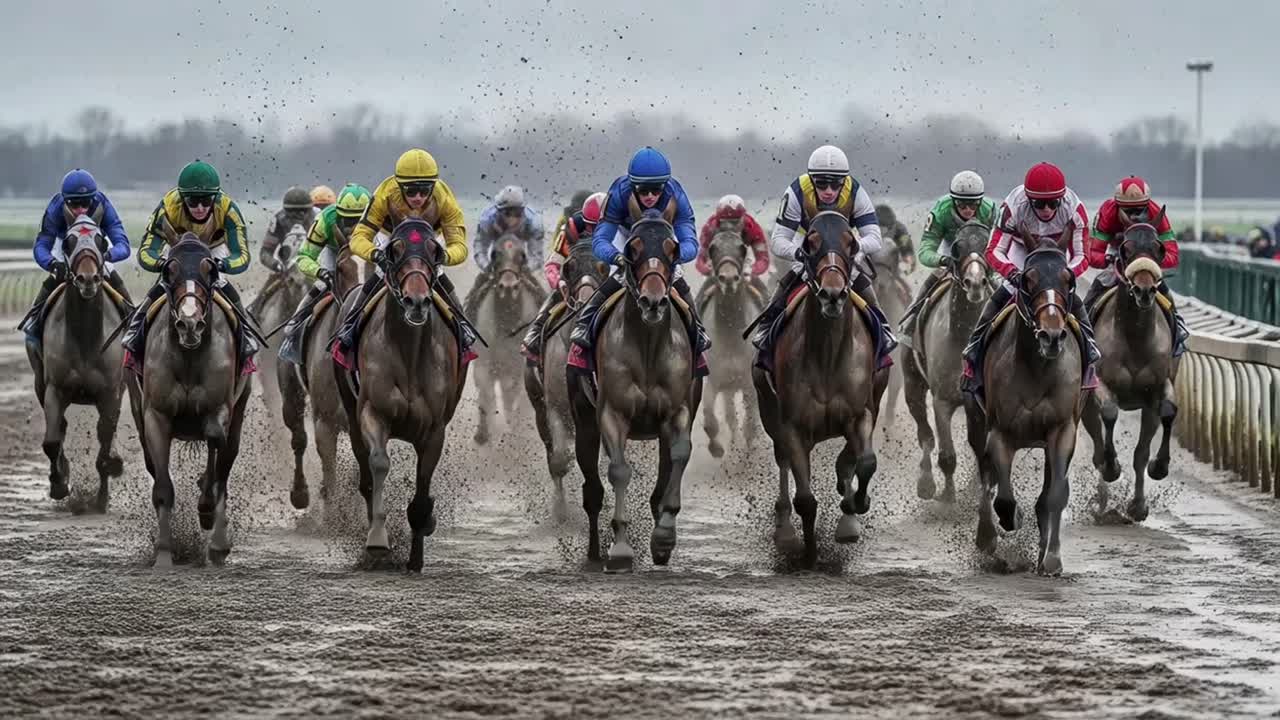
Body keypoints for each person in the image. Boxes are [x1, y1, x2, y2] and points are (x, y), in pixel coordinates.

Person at [567, 146, 710, 375]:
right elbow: (601, 240)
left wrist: (674, 256)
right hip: (629, 237)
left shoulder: (677, 196)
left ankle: (697, 334)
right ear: (632, 185)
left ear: (666, 185)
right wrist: (616, 257)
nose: (650, 196)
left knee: (679, 281)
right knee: (617, 276)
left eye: (656, 190)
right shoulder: (619, 192)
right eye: (643, 191)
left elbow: (690, 241)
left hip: (663, 239)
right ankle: (584, 326)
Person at [960, 162, 1099, 397]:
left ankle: (1091, 352)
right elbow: (994, 251)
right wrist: (1012, 273)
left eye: (1052, 203)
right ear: (1028, 199)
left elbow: (1082, 255)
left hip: (1057, 258)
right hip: (1022, 255)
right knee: (1000, 294)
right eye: (1039, 204)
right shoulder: (1013, 207)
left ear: (1061, 199)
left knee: (1072, 299)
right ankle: (973, 353)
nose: (1046, 209)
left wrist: (1064, 276)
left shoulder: (1075, 210)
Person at [753, 144, 896, 368]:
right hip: (809, 253)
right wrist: (798, 253)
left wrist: (854, 248)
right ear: (811, 180)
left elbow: (874, 237)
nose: (829, 190)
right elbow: (779, 241)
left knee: (866, 290)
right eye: (821, 183)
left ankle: (884, 334)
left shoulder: (856, 191)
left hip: (843, 256)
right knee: (782, 291)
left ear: (844, 181)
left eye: (835, 183)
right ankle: (765, 333)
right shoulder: (796, 192)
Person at [332, 148, 476, 364]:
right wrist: (375, 254)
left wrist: (443, 256)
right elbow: (359, 237)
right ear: (399, 186)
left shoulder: (444, 197)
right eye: (410, 191)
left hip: (426, 242)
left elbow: (460, 246)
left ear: (433, 185)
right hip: (392, 238)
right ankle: (349, 328)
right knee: (380, 273)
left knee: (439, 274)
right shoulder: (385, 193)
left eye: (424, 190)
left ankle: (463, 330)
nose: (418, 197)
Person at [121, 160, 256, 372]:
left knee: (225, 287)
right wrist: (163, 264)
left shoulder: (228, 209)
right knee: (159, 290)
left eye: (206, 201)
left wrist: (222, 264)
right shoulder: (168, 207)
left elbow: (242, 255)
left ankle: (246, 340)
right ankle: (134, 338)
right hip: (177, 251)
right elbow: (146, 252)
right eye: (193, 201)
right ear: (182, 198)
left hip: (212, 251)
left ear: (216, 197)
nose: (200, 207)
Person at [19, 169, 133, 348]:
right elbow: (41, 246)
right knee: (54, 277)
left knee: (112, 273)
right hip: (66, 246)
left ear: (93, 199)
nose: (81, 210)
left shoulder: (102, 204)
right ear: (65, 200)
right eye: (74, 204)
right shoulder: (56, 207)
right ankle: (34, 325)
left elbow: (123, 244)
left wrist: (108, 255)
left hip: (95, 248)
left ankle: (132, 320)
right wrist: (52, 264)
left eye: (86, 203)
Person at [1086, 176, 1187, 355]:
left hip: (1147, 259)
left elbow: (1173, 255)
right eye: (1127, 210)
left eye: (1139, 210)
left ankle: (1178, 330)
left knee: (1163, 290)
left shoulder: (1156, 213)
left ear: (1147, 204)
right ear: (1117, 205)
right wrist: (1109, 260)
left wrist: (1151, 259)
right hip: (1119, 258)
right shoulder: (1107, 213)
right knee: (1098, 286)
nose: (1133, 216)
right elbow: (1093, 255)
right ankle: (1086, 334)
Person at [897, 170, 998, 346]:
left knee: (1001, 288)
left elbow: (1000, 245)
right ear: (953, 201)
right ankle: (911, 320)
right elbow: (925, 251)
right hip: (952, 251)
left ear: (980, 202)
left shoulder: (990, 211)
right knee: (933, 279)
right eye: (962, 205)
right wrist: (943, 260)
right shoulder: (941, 211)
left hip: (982, 255)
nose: (968, 210)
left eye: (973, 205)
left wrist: (991, 263)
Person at [278, 183, 372, 365]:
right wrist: (320, 272)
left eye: (360, 221)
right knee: (321, 286)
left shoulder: (379, 219)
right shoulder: (325, 220)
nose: (354, 228)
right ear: (339, 214)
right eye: (349, 221)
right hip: (334, 252)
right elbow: (304, 256)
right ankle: (295, 326)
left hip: (367, 252)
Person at [520, 191, 606, 365]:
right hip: (574, 282)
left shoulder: (622, 233)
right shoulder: (569, 230)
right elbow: (552, 265)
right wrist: (559, 282)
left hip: (605, 283)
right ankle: (534, 336)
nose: (593, 231)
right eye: (590, 226)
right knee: (553, 300)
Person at [463, 185, 545, 317]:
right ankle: (467, 322)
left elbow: (537, 255)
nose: (512, 219)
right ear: (499, 212)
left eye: (517, 214)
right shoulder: (487, 219)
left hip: (520, 263)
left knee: (540, 294)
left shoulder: (534, 222)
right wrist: (487, 267)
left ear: (523, 211)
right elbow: (480, 249)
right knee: (474, 294)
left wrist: (527, 268)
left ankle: (545, 322)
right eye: (507, 213)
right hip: (497, 263)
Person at [693, 194, 770, 299]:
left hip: (744, 263)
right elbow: (700, 259)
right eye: (724, 223)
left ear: (742, 218)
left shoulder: (752, 227)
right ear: (718, 219)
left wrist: (753, 270)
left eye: (734, 222)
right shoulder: (710, 227)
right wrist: (708, 270)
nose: (729, 226)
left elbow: (763, 258)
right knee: (699, 299)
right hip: (717, 266)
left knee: (766, 296)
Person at [261, 186, 319, 272]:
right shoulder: (278, 221)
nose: (299, 215)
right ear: (285, 211)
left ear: (310, 210)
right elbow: (265, 252)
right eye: (293, 212)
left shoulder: (320, 219)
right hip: (286, 268)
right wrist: (276, 265)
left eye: (303, 211)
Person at [875, 203, 915, 271]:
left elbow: (906, 245)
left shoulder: (900, 230)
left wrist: (908, 257)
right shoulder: (863, 223)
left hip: (887, 264)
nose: (881, 232)